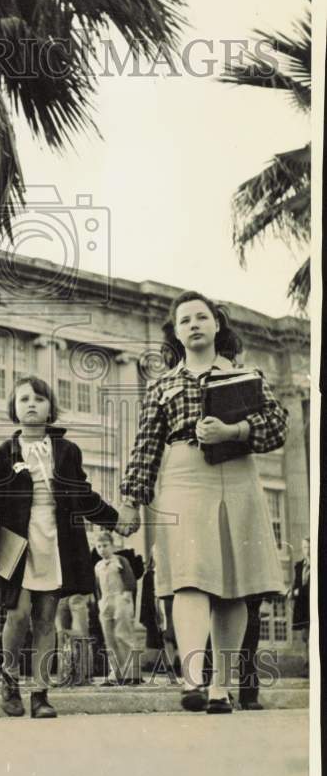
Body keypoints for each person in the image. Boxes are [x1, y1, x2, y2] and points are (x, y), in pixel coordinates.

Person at [117, 290, 288, 714]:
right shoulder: (163, 385)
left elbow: (278, 425)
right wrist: (129, 501)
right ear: (176, 334)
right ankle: (193, 681)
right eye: (184, 321)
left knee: (233, 585)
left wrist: (234, 432)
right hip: (183, 474)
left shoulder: (246, 375)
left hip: (237, 474)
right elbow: (145, 449)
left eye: (201, 317)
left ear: (216, 325)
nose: (193, 325)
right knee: (190, 577)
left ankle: (220, 688)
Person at [0, 375, 120, 719]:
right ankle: (9, 680)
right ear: (13, 409)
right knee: (18, 614)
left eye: (39, 398)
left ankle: (40, 693)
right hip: (16, 542)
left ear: (51, 407)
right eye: (24, 399)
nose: (32, 404)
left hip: (55, 540)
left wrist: (114, 520)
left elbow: (82, 495)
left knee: (45, 619)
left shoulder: (67, 451)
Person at [93, 531, 138, 685]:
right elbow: (97, 586)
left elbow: (130, 580)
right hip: (106, 601)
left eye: (105, 545)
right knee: (109, 638)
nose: (102, 549)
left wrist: (126, 594)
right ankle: (115, 673)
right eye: (99, 546)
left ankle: (131, 673)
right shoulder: (98, 566)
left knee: (123, 635)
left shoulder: (120, 560)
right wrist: (99, 601)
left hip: (120, 598)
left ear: (112, 546)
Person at [289, 539, 310, 677]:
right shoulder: (299, 566)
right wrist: (290, 592)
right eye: (303, 547)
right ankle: (307, 666)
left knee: (311, 637)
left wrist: (296, 592)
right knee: (305, 637)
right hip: (303, 607)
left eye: (308, 547)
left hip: (312, 605)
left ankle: (311, 667)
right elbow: (296, 583)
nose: (306, 550)